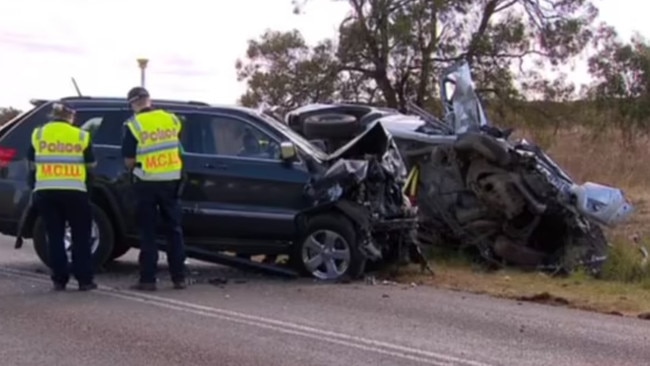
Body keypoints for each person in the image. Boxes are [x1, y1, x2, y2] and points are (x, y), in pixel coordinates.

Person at [121, 86, 187, 291]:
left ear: (132, 104)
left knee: (148, 232)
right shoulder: (172, 120)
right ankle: (179, 278)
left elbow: (130, 161)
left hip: (146, 182)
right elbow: (178, 148)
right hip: (171, 181)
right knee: (174, 231)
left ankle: (148, 279)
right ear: (150, 100)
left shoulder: (134, 125)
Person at [27, 102, 97, 291]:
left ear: (53, 115)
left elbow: (32, 163)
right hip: (75, 191)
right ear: (71, 116)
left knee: (55, 236)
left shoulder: (39, 134)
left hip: (46, 191)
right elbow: (91, 165)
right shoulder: (81, 135)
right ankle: (84, 280)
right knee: (81, 236)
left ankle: (59, 279)